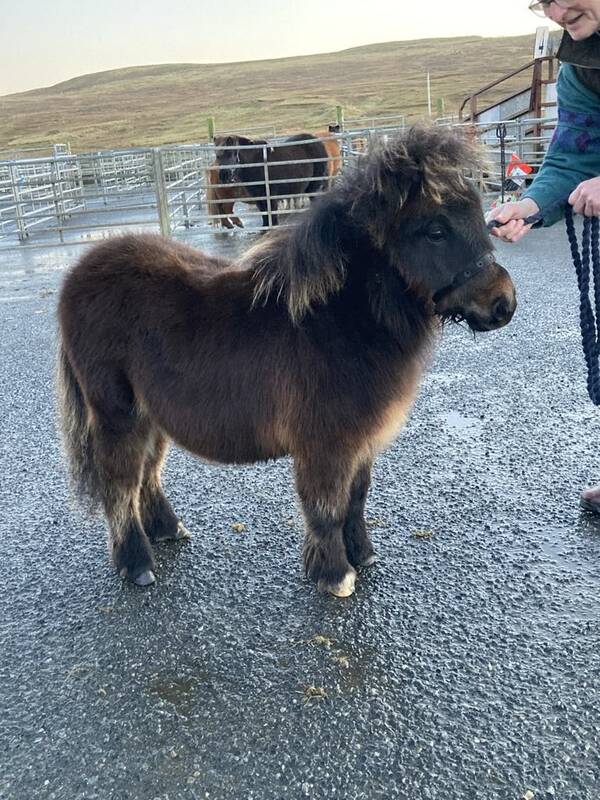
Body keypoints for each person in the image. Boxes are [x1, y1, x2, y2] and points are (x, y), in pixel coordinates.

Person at [488, 0, 600, 512]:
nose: (556, 12)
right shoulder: (581, 65)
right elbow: (572, 155)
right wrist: (531, 206)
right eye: (543, 2)